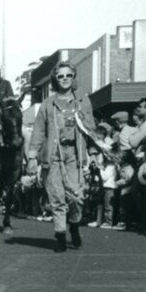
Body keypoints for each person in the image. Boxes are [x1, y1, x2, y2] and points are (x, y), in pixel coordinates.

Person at [27, 61, 100, 252]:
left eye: (68, 75)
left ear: (74, 78)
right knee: (57, 197)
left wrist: (93, 153)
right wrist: (32, 156)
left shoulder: (83, 102)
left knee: (77, 198)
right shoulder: (47, 105)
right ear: (55, 80)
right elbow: (38, 132)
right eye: (60, 76)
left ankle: (74, 225)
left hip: (75, 154)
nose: (65, 79)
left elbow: (91, 130)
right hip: (53, 156)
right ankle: (60, 234)